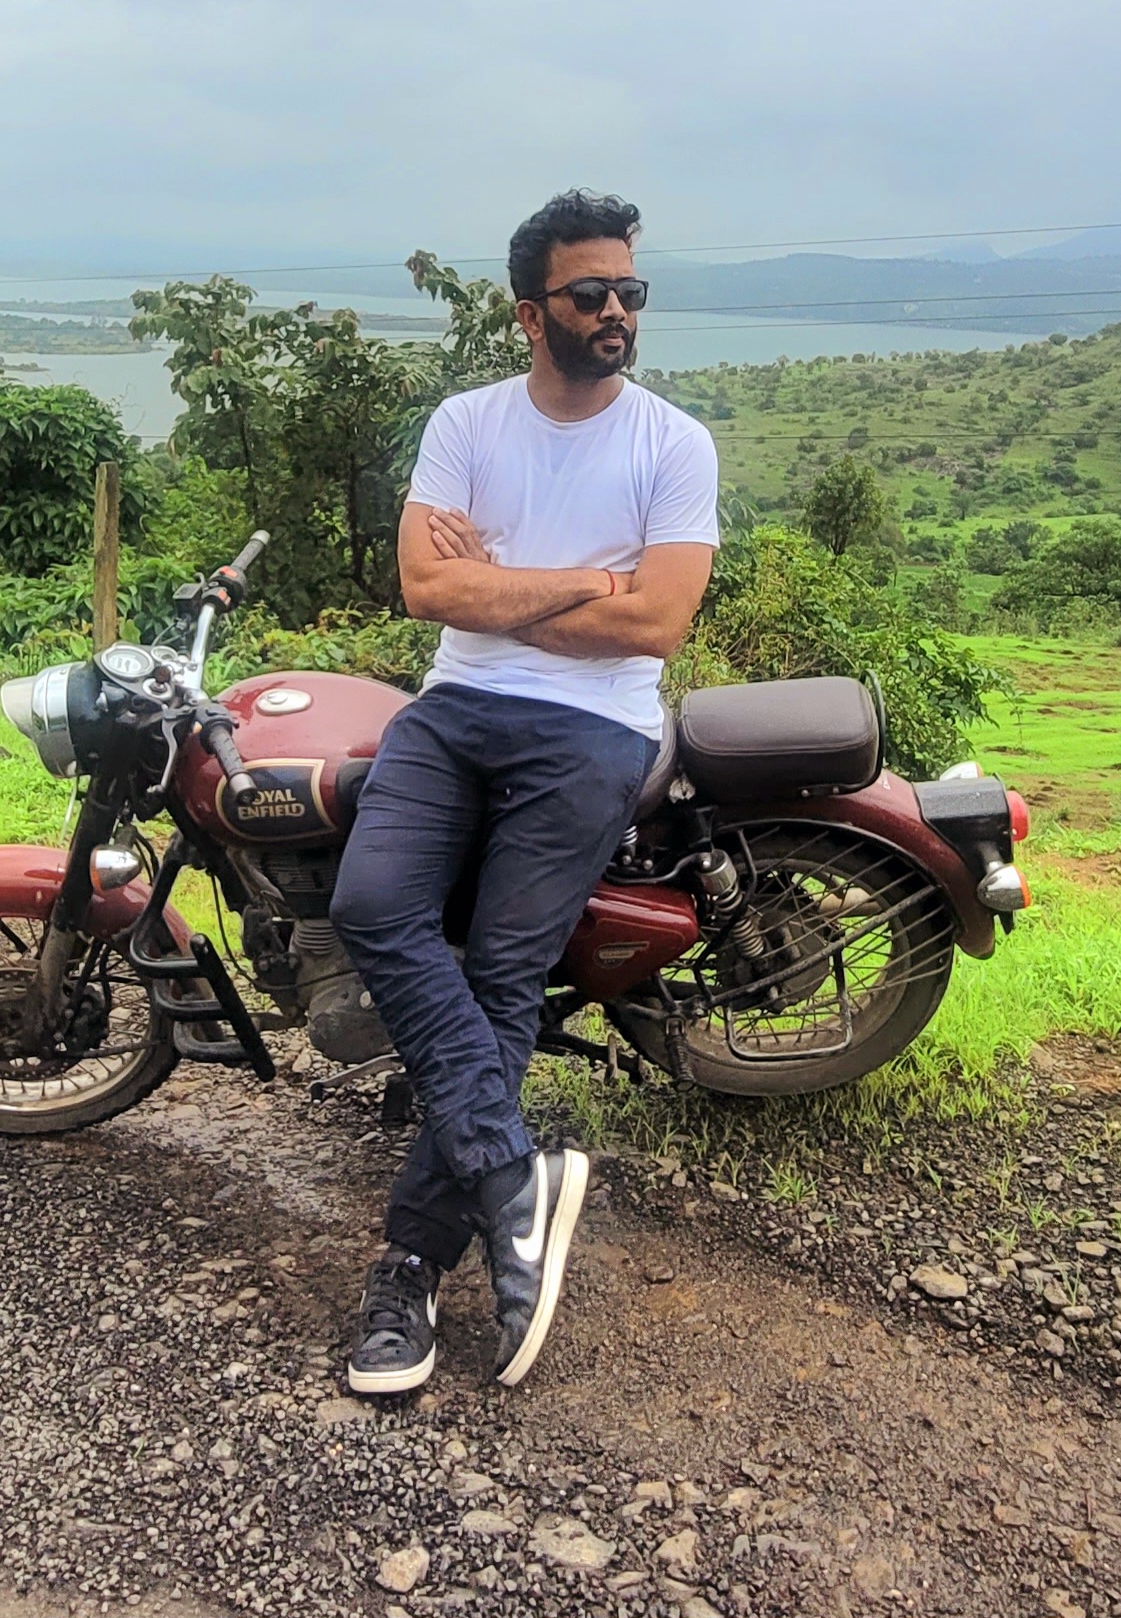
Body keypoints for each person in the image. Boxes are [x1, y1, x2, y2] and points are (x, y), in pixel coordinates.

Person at [328, 190, 720, 1393]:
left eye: (629, 292)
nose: (615, 311)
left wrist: (506, 584)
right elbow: (427, 591)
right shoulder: (466, 423)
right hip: (454, 709)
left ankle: (408, 1268)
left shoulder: (674, 444)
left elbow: (655, 623)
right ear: (529, 313)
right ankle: (513, 1174)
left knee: (504, 974)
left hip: (596, 730)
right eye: (589, 294)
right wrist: (583, 584)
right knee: (371, 904)